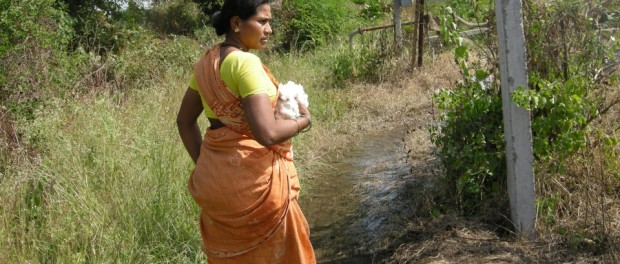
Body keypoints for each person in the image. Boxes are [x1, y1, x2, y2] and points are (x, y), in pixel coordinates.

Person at [176, 0, 316, 263]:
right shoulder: (246, 63)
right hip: (256, 186)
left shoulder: (205, 64)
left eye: (269, 22)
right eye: (262, 21)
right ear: (237, 24)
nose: (269, 29)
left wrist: (204, 165)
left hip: (215, 183)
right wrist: (304, 120)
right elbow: (267, 133)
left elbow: (184, 121)